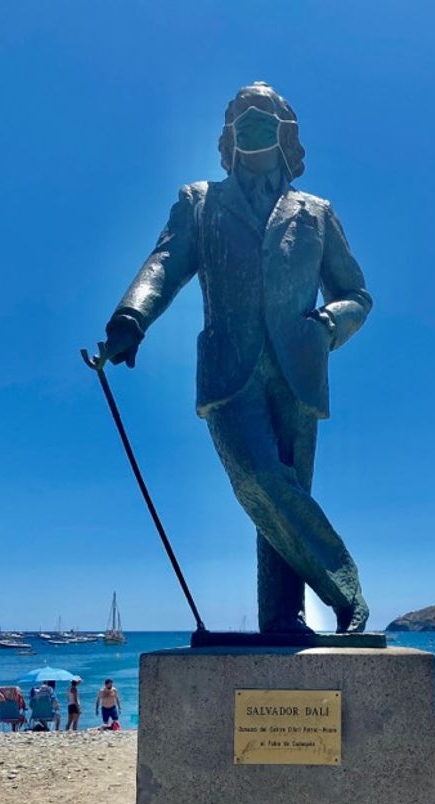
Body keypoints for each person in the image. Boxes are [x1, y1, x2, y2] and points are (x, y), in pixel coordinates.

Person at [99, 82, 372, 635]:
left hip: (300, 364)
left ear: (284, 129)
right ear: (228, 132)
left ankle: (284, 617)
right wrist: (131, 319)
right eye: (241, 114)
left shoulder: (315, 212)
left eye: (264, 114)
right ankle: (345, 587)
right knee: (258, 478)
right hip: (230, 368)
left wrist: (329, 323)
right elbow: (166, 263)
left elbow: (357, 294)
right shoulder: (200, 201)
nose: (253, 120)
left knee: (285, 491)